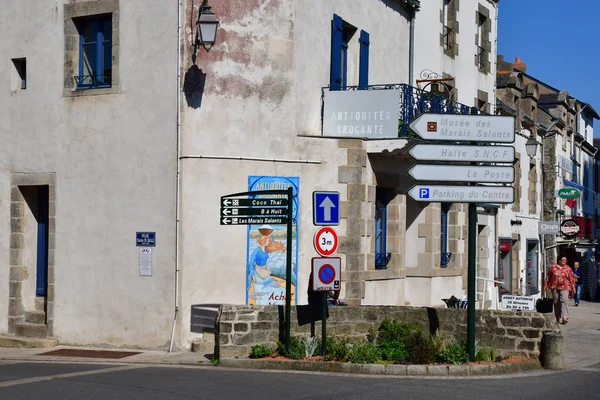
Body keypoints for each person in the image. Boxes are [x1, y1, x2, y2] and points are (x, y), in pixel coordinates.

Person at [544, 256, 576, 324]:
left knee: (563, 300)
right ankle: (557, 317)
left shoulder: (568, 268)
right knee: (556, 302)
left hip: (565, 286)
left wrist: (573, 288)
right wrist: (545, 285)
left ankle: (565, 317)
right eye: (563, 260)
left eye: (566, 259)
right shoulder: (553, 267)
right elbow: (548, 276)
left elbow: (572, 279)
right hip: (554, 286)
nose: (565, 261)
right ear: (559, 260)